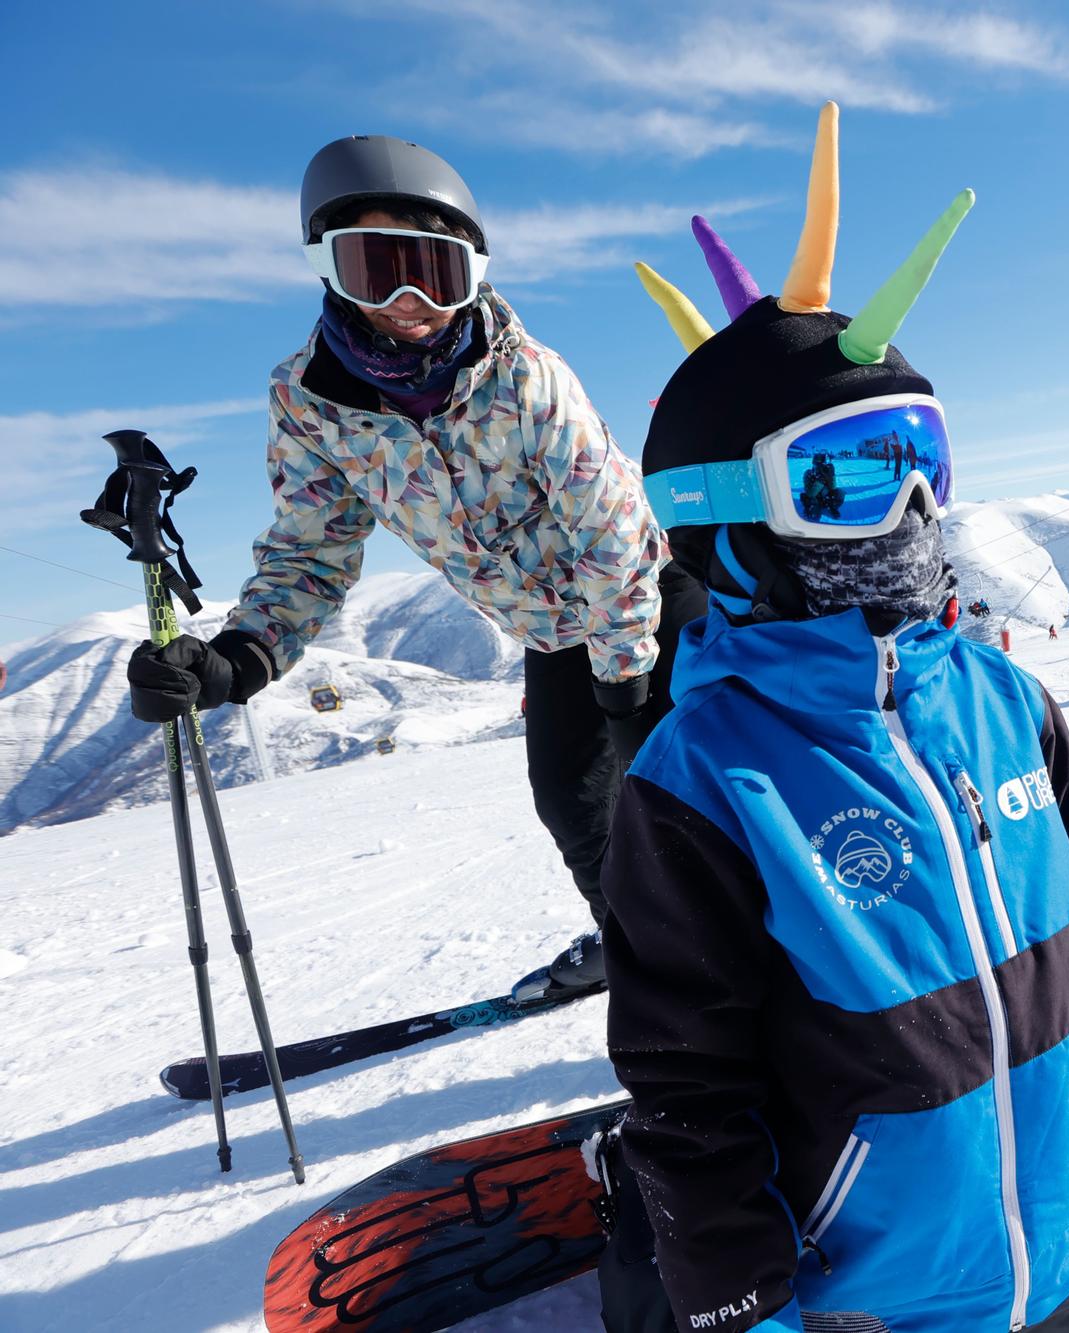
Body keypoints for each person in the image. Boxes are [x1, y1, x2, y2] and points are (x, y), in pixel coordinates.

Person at [600, 104, 1069, 1332]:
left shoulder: (1002, 698)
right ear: (725, 514)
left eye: (925, 457)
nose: (912, 508)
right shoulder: (704, 778)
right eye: (853, 473)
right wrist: (736, 1295)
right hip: (886, 1301)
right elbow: (685, 1074)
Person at [121, 135, 705, 1000]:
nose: (408, 300)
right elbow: (311, 547)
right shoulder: (309, 402)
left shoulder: (527, 377)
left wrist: (625, 682)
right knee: (576, 807)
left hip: (647, 609)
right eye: (375, 268)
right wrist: (239, 655)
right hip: (551, 633)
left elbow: (609, 528)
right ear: (329, 269)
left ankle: (764, 961)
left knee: (696, 801)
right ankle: (647, 955)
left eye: (432, 271)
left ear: (472, 272)